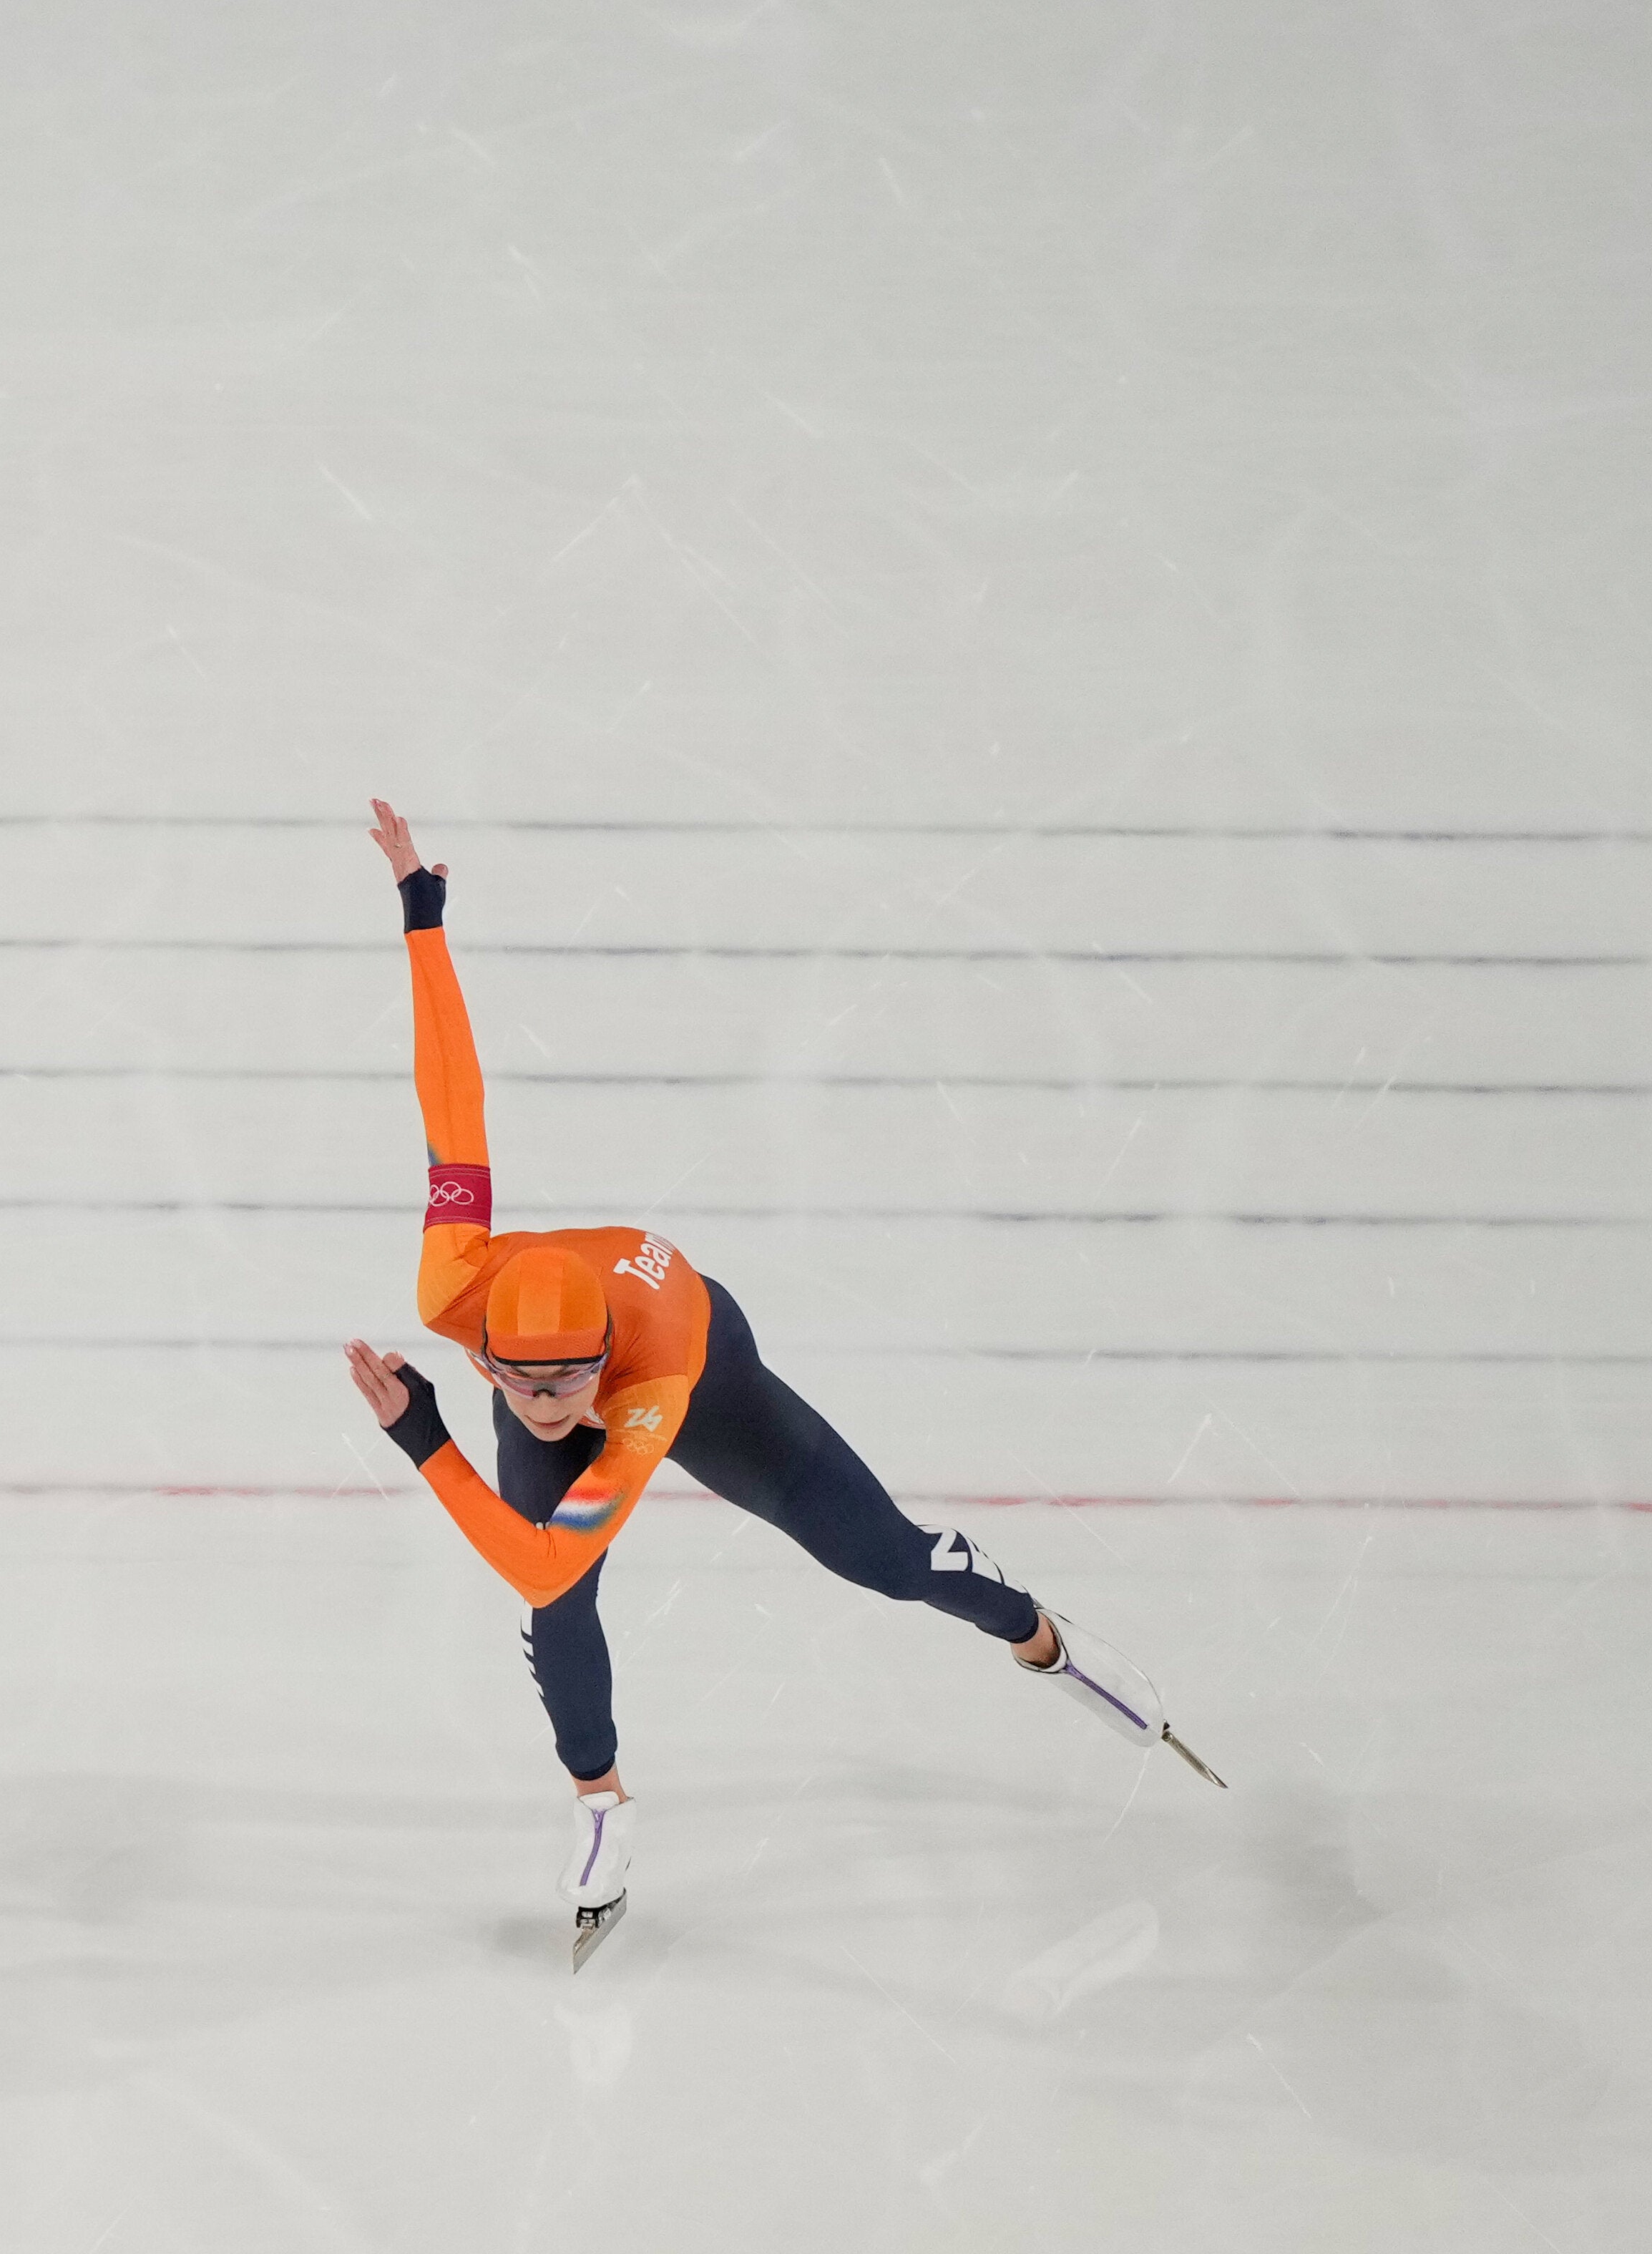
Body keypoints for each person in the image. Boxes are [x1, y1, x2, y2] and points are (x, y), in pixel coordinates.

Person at [338, 800, 1218, 1963]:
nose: (549, 1403)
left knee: (885, 1560)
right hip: (604, 1341)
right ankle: (600, 1799)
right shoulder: (453, 1280)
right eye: (527, 1381)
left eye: (569, 1379)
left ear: (603, 1354)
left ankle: (1038, 1633)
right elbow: (451, 1099)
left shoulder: (642, 1386)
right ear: (486, 1352)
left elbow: (543, 1537)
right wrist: (421, 913)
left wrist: (428, 1444)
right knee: (556, 1607)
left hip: (710, 1372)